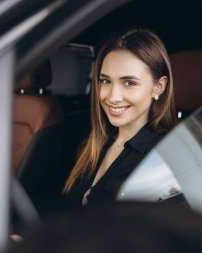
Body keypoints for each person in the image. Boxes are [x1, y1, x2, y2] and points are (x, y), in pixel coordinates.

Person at [63, 28, 176, 208]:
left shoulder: (161, 160)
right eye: (105, 81)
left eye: (129, 83)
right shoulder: (95, 142)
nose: (113, 97)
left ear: (158, 87)